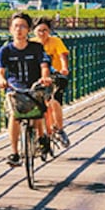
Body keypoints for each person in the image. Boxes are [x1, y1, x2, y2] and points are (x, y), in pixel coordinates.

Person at [0, 12, 53, 166]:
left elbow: (44, 66)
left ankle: (41, 137)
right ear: (10, 29)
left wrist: (45, 77)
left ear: (28, 30)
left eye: (23, 26)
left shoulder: (37, 48)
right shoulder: (5, 51)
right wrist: (1, 80)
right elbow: (0, 71)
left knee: (37, 112)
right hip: (15, 88)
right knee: (14, 117)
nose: (19, 30)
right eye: (16, 26)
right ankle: (14, 153)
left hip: (34, 86)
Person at [32, 18, 71, 147]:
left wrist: (64, 68)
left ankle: (59, 129)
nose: (42, 33)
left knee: (54, 101)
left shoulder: (56, 41)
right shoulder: (31, 44)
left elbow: (62, 56)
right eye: (39, 30)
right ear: (33, 31)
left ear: (49, 31)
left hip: (55, 76)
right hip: (37, 77)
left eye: (45, 30)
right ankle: (38, 135)